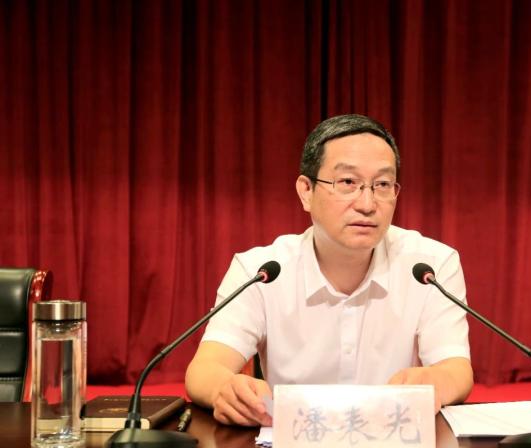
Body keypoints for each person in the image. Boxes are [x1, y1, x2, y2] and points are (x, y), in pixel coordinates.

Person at [185, 114, 473, 427]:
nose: (367, 204)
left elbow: (456, 370)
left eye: (382, 185)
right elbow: (205, 369)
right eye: (347, 182)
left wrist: (436, 381)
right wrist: (225, 390)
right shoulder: (261, 271)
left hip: (394, 442)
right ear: (306, 191)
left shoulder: (430, 266)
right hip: (292, 446)